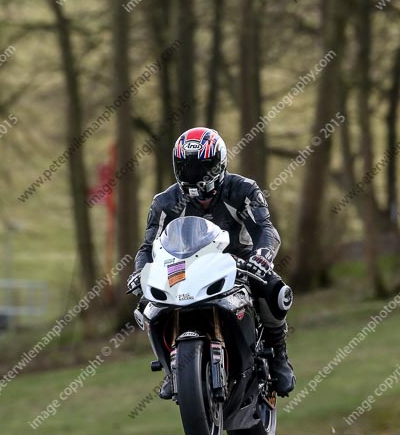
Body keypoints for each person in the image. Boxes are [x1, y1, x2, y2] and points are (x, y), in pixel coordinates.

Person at [127, 127, 296, 399]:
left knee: (276, 292)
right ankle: (173, 369)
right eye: (187, 168)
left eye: (202, 168)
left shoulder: (244, 189)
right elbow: (148, 247)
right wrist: (140, 273)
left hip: (237, 261)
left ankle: (279, 355)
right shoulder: (164, 202)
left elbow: (265, 229)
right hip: (183, 267)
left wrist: (262, 256)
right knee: (148, 304)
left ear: (219, 163)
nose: (194, 176)